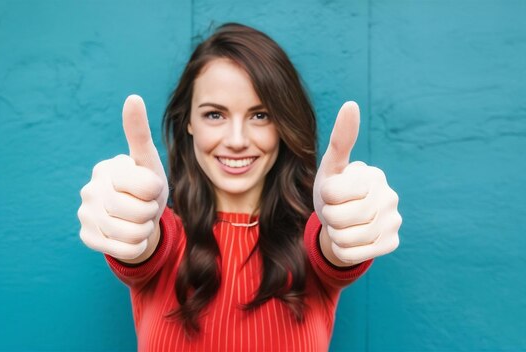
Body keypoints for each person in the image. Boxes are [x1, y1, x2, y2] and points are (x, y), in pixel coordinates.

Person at [77, 23, 401, 351]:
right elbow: (144, 243)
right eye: (215, 115)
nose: (236, 141)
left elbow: (333, 247)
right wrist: (126, 220)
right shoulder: (160, 236)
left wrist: (350, 224)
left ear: (282, 125)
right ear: (188, 121)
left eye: (260, 115)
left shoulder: (315, 240)